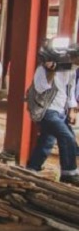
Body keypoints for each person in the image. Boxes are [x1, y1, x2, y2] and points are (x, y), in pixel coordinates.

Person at [26, 44, 79, 186]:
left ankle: (32, 168)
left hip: (61, 110)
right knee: (67, 137)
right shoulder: (42, 70)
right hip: (46, 111)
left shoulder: (71, 70)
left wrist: (72, 109)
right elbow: (41, 88)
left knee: (46, 142)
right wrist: (51, 71)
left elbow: (71, 91)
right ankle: (69, 173)